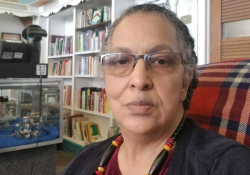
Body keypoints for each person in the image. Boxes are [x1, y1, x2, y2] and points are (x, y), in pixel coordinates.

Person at [62, 4, 250, 175]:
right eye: (121, 61)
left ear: (185, 81)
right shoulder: (85, 158)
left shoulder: (229, 165)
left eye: (161, 61)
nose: (139, 80)